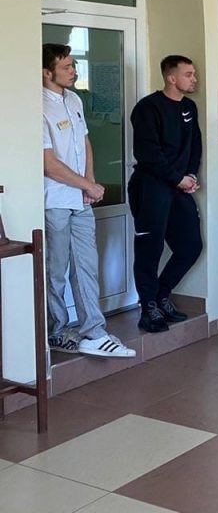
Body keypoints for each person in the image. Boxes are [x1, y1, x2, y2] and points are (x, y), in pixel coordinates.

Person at [41, 44, 135, 357]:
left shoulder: (74, 99)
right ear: (46, 72)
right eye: (66, 67)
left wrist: (89, 183)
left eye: (73, 65)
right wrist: (86, 186)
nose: (74, 71)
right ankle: (56, 332)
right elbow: (48, 163)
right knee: (55, 270)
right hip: (54, 199)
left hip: (79, 197)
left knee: (86, 267)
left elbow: (84, 143)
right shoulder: (36, 105)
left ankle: (93, 332)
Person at [128, 55, 203, 334]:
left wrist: (191, 175)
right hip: (152, 186)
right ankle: (148, 308)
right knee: (150, 248)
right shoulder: (148, 108)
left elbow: (195, 145)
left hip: (180, 187)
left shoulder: (189, 107)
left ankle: (161, 295)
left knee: (191, 246)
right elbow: (148, 152)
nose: (194, 79)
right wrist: (177, 178)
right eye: (188, 74)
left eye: (193, 74)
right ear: (171, 78)